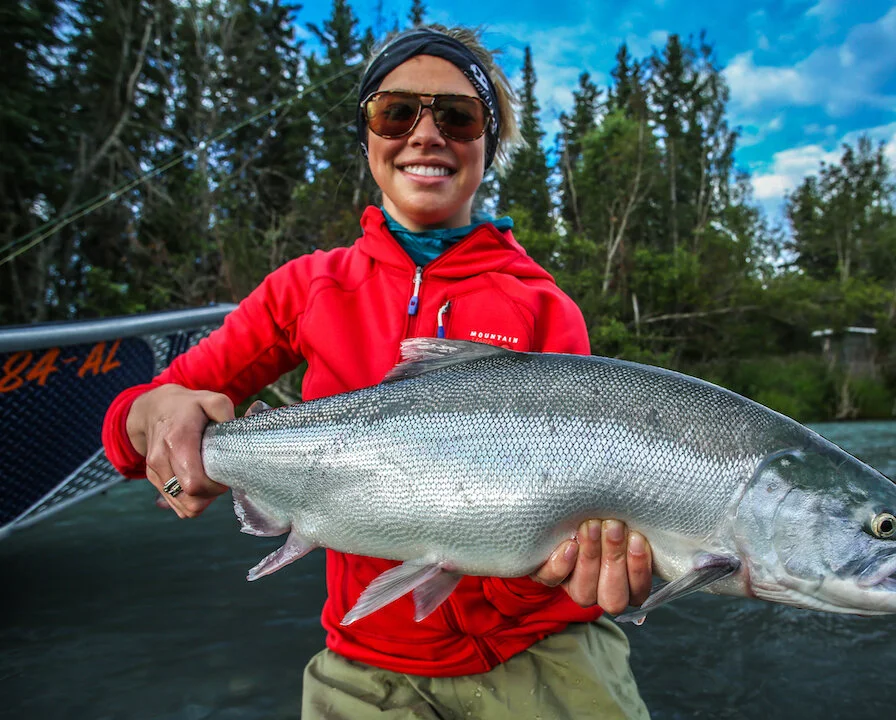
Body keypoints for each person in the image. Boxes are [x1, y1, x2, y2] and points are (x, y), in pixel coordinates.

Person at [101, 24, 654, 719]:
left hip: (545, 653)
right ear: (366, 135)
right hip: (365, 660)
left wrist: (561, 573)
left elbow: (571, 534)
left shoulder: (547, 309)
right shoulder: (305, 288)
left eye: (457, 116)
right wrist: (156, 424)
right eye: (396, 113)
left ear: (490, 142)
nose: (427, 135)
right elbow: (132, 427)